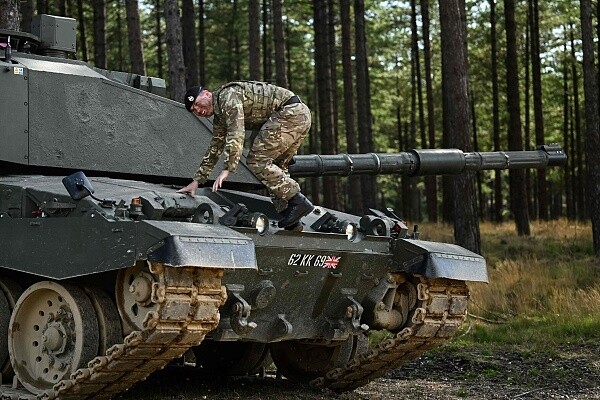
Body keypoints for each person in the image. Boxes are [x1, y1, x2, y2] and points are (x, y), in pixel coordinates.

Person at [178, 81, 313, 228]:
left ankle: (297, 201)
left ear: (206, 94)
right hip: (298, 114)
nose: (198, 110)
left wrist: (227, 169)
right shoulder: (220, 116)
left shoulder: (226, 97)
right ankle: (291, 216)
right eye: (194, 110)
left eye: (197, 104)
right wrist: (197, 181)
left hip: (290, 112)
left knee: (257, 161)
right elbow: (215, 147)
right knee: (276, 168)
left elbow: (236, 133)